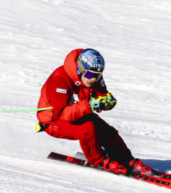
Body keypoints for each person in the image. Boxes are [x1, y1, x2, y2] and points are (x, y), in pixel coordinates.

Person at [36, 48, 154, 177]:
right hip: (53, 121)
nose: (93, 79)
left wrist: (108, 101)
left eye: (97, 75)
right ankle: (98, 160)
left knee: (106, 131)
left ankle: (126, 159)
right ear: (80, 68)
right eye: (90, 75)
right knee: (88, 128)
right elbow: (61, 113)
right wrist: (89, 105)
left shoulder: (93, 76)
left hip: (78, 114)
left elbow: (101, 93)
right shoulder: (59, 79)